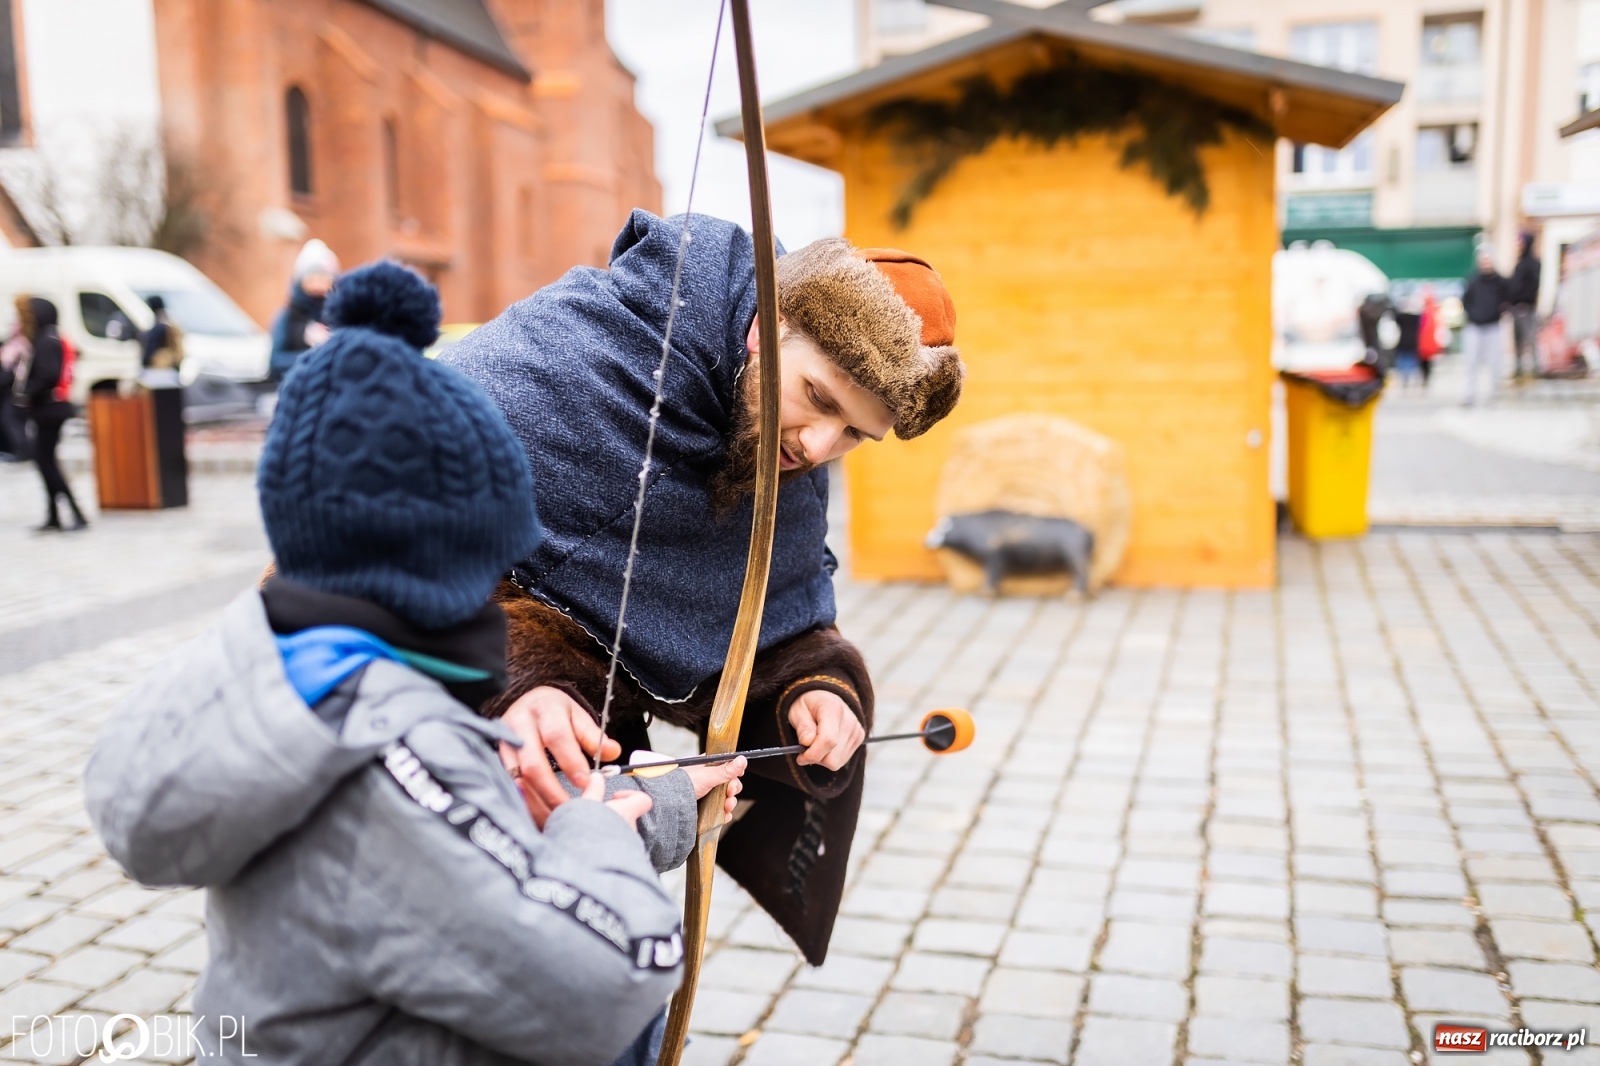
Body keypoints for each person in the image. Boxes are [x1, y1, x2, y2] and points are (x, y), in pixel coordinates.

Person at [85, 262, 743, 1066]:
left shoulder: (278, 669)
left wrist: (663, 800)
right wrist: (592, 831)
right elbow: (609, 979)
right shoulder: (394, 751)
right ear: (455, 551)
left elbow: (463, 865)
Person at [443, 209, 965, 965]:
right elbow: (372, 530)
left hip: (594, 804)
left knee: (581, 990)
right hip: (434, 759)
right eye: (819, 396)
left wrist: (812, 688)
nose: (819, 446)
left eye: (855, 433)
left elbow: (775, 616)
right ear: (764, 328)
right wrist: (516, 679)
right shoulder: (574, 355)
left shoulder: (790, 460)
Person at [17, 297, 87, 532]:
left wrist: (25, 393)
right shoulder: (49, 337)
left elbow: (47, 375)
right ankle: (55, 515)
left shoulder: (46, 340)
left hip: (50, 409)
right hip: (48, 409)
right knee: (45, 461)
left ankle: (76, 513)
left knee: (46, 462)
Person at [268, 238, 338, 381]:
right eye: (312, 277)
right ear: (300, 281)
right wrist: (315, 358)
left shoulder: (339, 316)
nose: (318, 284)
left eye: (323, 277)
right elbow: (275, 361)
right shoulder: (288, 317)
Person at [1460, 245, 1509, 405]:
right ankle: (1469, 395)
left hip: (1493, 325)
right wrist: (1472, 314)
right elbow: (1465, 300)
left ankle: (1495, 393)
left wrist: (1498, 312)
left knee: (1495, 362)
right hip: (1474, 326)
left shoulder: (1499, 281)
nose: (1485, 263)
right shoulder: (1472, 279)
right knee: (1471, 362)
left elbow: (1506, 299)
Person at [0, 295, 31, 461]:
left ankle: (22, 452)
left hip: (16, 385)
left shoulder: (23, 338)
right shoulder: (17, 337)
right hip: (12, 384)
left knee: (11, 419)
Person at [1508, 230, 1542, 378]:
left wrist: (1523, 300)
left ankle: (1535, 367)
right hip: (1516, 307)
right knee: (1518, 339)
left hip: (1526, 306)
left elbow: (1532, 285)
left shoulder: (1532, 263)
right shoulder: (1521, 261)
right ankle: (1519, 367)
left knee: (1530, 337)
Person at [138, 294, 185, 370]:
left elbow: (151, 347)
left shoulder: (161, 323)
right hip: (168, 365)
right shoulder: (168, 319)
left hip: (161, 366)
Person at [1417, 285, 1445, 390]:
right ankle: (1424, 379)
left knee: (1426, 362)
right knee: (1425, 362)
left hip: (1428, 341)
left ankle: (1425, 379)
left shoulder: (1433, 311)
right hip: (1425, 341)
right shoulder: (1426, 311)